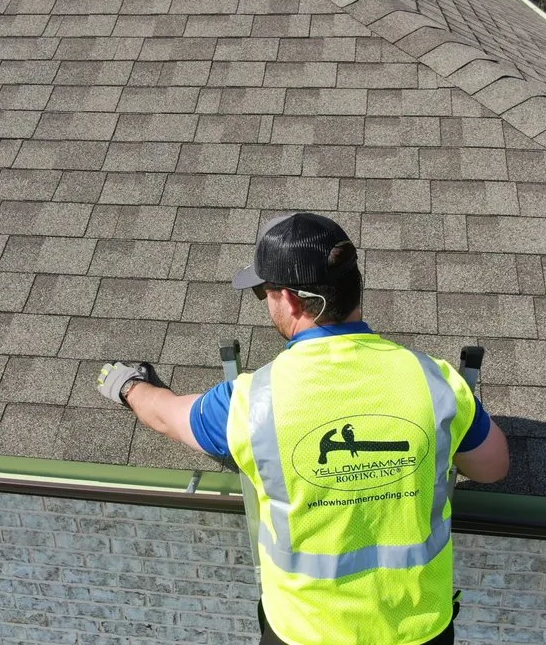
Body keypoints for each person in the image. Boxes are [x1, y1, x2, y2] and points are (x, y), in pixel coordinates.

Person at [97, 213, 510, 645]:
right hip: (419, 628)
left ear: (290, 301)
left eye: (263, 292)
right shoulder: (436, 382)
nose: (265, 301)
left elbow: (167, 415)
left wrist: (128, 386)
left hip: (306, 633)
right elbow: (492, 466)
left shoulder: (253, 400)